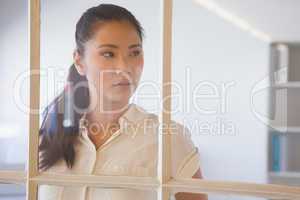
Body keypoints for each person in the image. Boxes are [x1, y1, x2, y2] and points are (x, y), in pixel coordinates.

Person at [38, 3, 207, 200]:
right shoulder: (43, 138)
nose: (124, 67)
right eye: (108, 54)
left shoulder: (169, 139)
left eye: (134, 53)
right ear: (79, 62)